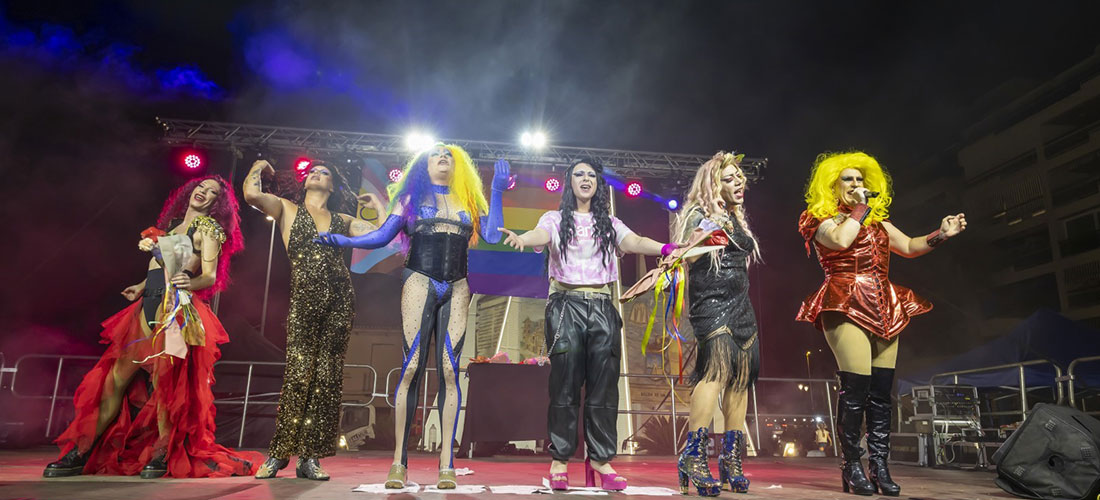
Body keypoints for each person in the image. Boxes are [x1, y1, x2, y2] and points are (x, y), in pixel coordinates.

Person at [315, 144, 507, 489]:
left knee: (450, 370)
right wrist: (342, 241)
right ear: (424, 164)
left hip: (458, 285)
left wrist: (496, 191)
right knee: (411, 366)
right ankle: (398, 462)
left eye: (448, 154)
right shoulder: (410, 200)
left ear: (459, 164)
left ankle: (446, 462)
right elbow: (381, 237)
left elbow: (493, 235)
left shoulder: (467, 200)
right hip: (419, 279)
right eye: (436, 154)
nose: (443, 157)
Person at [44, 176, 260, 479]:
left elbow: (209, 277)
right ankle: (81, 451)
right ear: (191, 191)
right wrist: (141, 286)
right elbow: (162, 266)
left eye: (213, 192)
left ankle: (162, 453)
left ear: (217, 203)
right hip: (147, 304)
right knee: (114, 381)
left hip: (175, 309)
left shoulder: (208, 229)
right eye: (202, 187)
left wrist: (190, 283)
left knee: (165, 383)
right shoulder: (171, 227)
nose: (204, 192)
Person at [499, 158, 678, 491]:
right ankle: (559, 459)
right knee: (564, 386)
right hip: (565, 305)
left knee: (604, 388)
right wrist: (524, 239)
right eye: (579, 174)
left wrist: (666, 247)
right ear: (570, 182)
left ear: (598, 184)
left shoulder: (609, 222)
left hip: (602, 306)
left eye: (591, 175)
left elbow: (635, 242)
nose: (585, 179)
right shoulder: (554, 219)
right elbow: (541, 235)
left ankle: (600, 460)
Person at [796, 151, 967, 496]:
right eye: (847, 179)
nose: (856, 184)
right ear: (832, 186)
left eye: (860, 179)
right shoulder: (818, 218)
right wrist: (860, 208)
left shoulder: (878, 223)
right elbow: (841, 240)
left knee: (881, 394)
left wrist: (942, 233)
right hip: (845, 301)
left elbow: (910, 246)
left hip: (884, 304)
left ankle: (879, 467)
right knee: (855, 390)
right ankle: (851, 467)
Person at [243, 159, 382, 480]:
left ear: (333, 186)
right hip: (304, 299)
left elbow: (380, 237)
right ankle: (279, 454)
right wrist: (258, 165)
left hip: (340, 300)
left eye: (325, 173)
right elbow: (251, 195)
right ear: (305, 182)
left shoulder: (343, 220)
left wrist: (377, 204)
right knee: (298, 374)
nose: (317, 174)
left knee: (327, 378)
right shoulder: (286, 208)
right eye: (313, 172)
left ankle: (310, 457)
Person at [671, 152, 761, 496]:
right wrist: (709, 232)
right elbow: (685, 253)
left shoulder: (736, 218)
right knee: (715, 373)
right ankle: (693, 456)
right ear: (712, 184)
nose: (739, 183)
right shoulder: (699, 213)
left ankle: (731, 460)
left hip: (741, 306)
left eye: (740, 177)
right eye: (729, 178)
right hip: (711, 303)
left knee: (740, 378)